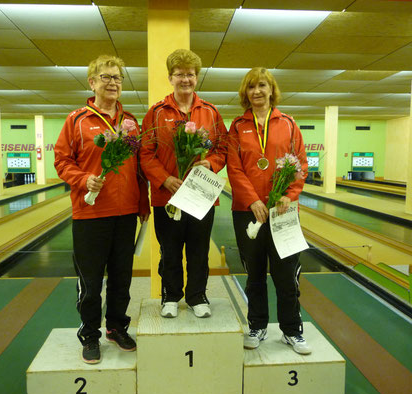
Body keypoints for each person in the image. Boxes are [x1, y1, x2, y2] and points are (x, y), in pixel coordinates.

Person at [54, 55, 150, 364]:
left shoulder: (130, 122)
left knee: (122, 278)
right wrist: (83, 179)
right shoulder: (77, 120)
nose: (113, 83)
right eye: (106, 77)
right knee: (92, 282)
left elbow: (138, 168)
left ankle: (116, 327)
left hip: (125, 215)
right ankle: (90, 335)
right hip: (91, 214)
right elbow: (62, 160)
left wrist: (142, 201)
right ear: (92, 82)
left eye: (117, 78)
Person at [227, 67, 311, 354]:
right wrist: (252, 200)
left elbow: (300, 164)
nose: (257, 92)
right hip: (247, 211)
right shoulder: (238, 126)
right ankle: (258, 325)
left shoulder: (288, 124)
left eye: (262, 86)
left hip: (283, 212)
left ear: (271, 89)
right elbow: (234, 168)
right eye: (251, 87)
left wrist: (289, 196)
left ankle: (291, 330)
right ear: (245, 93)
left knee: (287, 275)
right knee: (255, 274)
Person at [140, 49, 227, 319]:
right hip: (168, 195)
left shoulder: (211, 112)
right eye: (179, 74)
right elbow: (145, 153)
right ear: (170, 78)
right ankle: (170, 296)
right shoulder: (156, 112)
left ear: (197, 78)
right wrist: (164, 178)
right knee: (170, 250)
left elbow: (223, 148)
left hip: (201, 196)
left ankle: (197, 296)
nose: (185, 79)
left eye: (190, 74)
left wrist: (211, 163)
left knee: (199, 251)